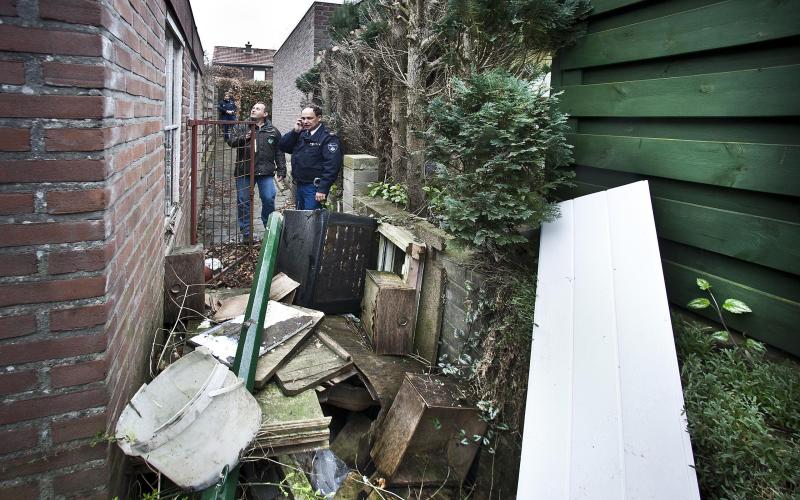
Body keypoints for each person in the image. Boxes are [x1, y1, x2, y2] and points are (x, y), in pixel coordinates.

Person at [226, 102, 286, 239]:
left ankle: (269, 227)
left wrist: (282, 170)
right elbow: (230, 142)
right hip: (244, 170)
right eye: (253, 108)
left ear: (265, 114)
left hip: (265, 171)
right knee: (243, 200)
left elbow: (279, 151)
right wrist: (243, 138)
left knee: (269, 198)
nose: (253, 109)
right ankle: (246, 232)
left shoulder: (273, 131)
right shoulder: (241, 126)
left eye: (257, 108)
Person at [279, 105, 343, 210]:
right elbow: (283, 146)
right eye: (303, 118)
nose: (305, 121)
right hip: (299, 185)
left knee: (311, 220)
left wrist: (322, 188)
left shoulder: (328, 137)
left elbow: (332, 165)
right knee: (300, 217)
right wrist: (294, 132)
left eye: (309, 118)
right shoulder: (301, 133)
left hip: (314, 187)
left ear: (319, 118)